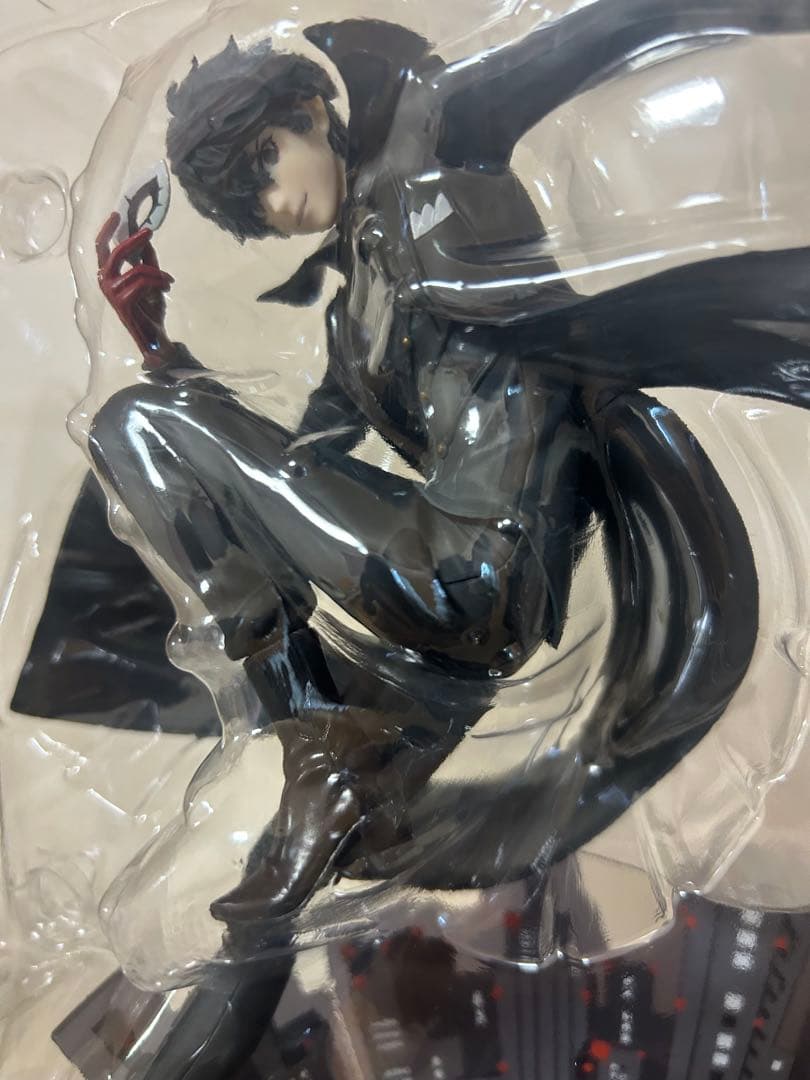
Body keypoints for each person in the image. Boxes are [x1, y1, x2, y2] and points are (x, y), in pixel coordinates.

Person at [91, 5, 810, 935]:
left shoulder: (434, 145)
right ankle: (328, 752)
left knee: (135, 423)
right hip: (438, 580)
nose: (274, 202)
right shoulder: (349, 320)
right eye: (247, 201)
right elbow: (291, 469)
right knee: (150, 423)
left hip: (481, 566)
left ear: (310, 109)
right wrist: (161, 350)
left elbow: (589, 38)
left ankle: (318, 746)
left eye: (265, 160)